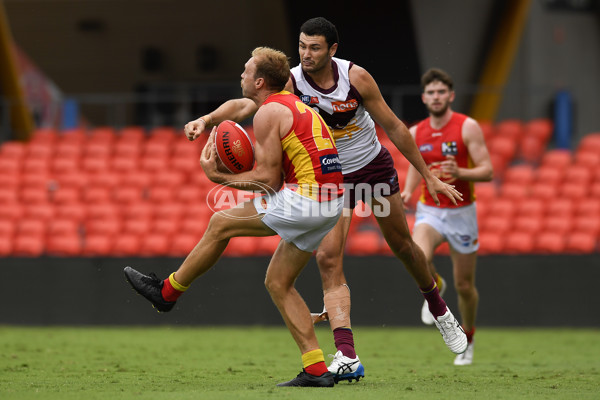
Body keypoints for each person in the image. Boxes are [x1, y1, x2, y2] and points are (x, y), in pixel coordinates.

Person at [184, 17, 467, 382]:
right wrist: (206, 119)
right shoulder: (291, 81)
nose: (306, 54)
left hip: (371, 168)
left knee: (403, 246)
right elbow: (245, 106)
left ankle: (439, 309)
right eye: (302, 46)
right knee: (329, 258)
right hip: (331, 177)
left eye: (314, 47)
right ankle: (347, 355)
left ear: (332, 49)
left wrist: (427, 174)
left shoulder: (356, 78)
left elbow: (395, 126)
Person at [125, 46, 347, 387]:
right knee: (278, 281)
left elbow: (268, 180)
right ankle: (317, 369)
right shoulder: (289, 102)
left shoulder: (267, 114)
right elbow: (237, 109)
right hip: (332, 202)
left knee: (220, 222)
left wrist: (218, 178)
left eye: (245, 72)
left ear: (259, 81)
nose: (240, 76)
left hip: (308, 198)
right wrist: (208, 120)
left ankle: (167, 292)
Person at [400, 68, 494, 366]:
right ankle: (435, 285)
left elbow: (488, 171)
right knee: (417, 255)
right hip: (431, 211)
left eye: (442, 92)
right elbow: (417, 165)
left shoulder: (467, 127)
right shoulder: (416, 132)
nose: (436, 97)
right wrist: (407, 192)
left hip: (462, 213)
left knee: (465, 286)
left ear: (450, 96)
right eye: (431, 92)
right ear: (424, 97)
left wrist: (461, 172)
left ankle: (468, 338)